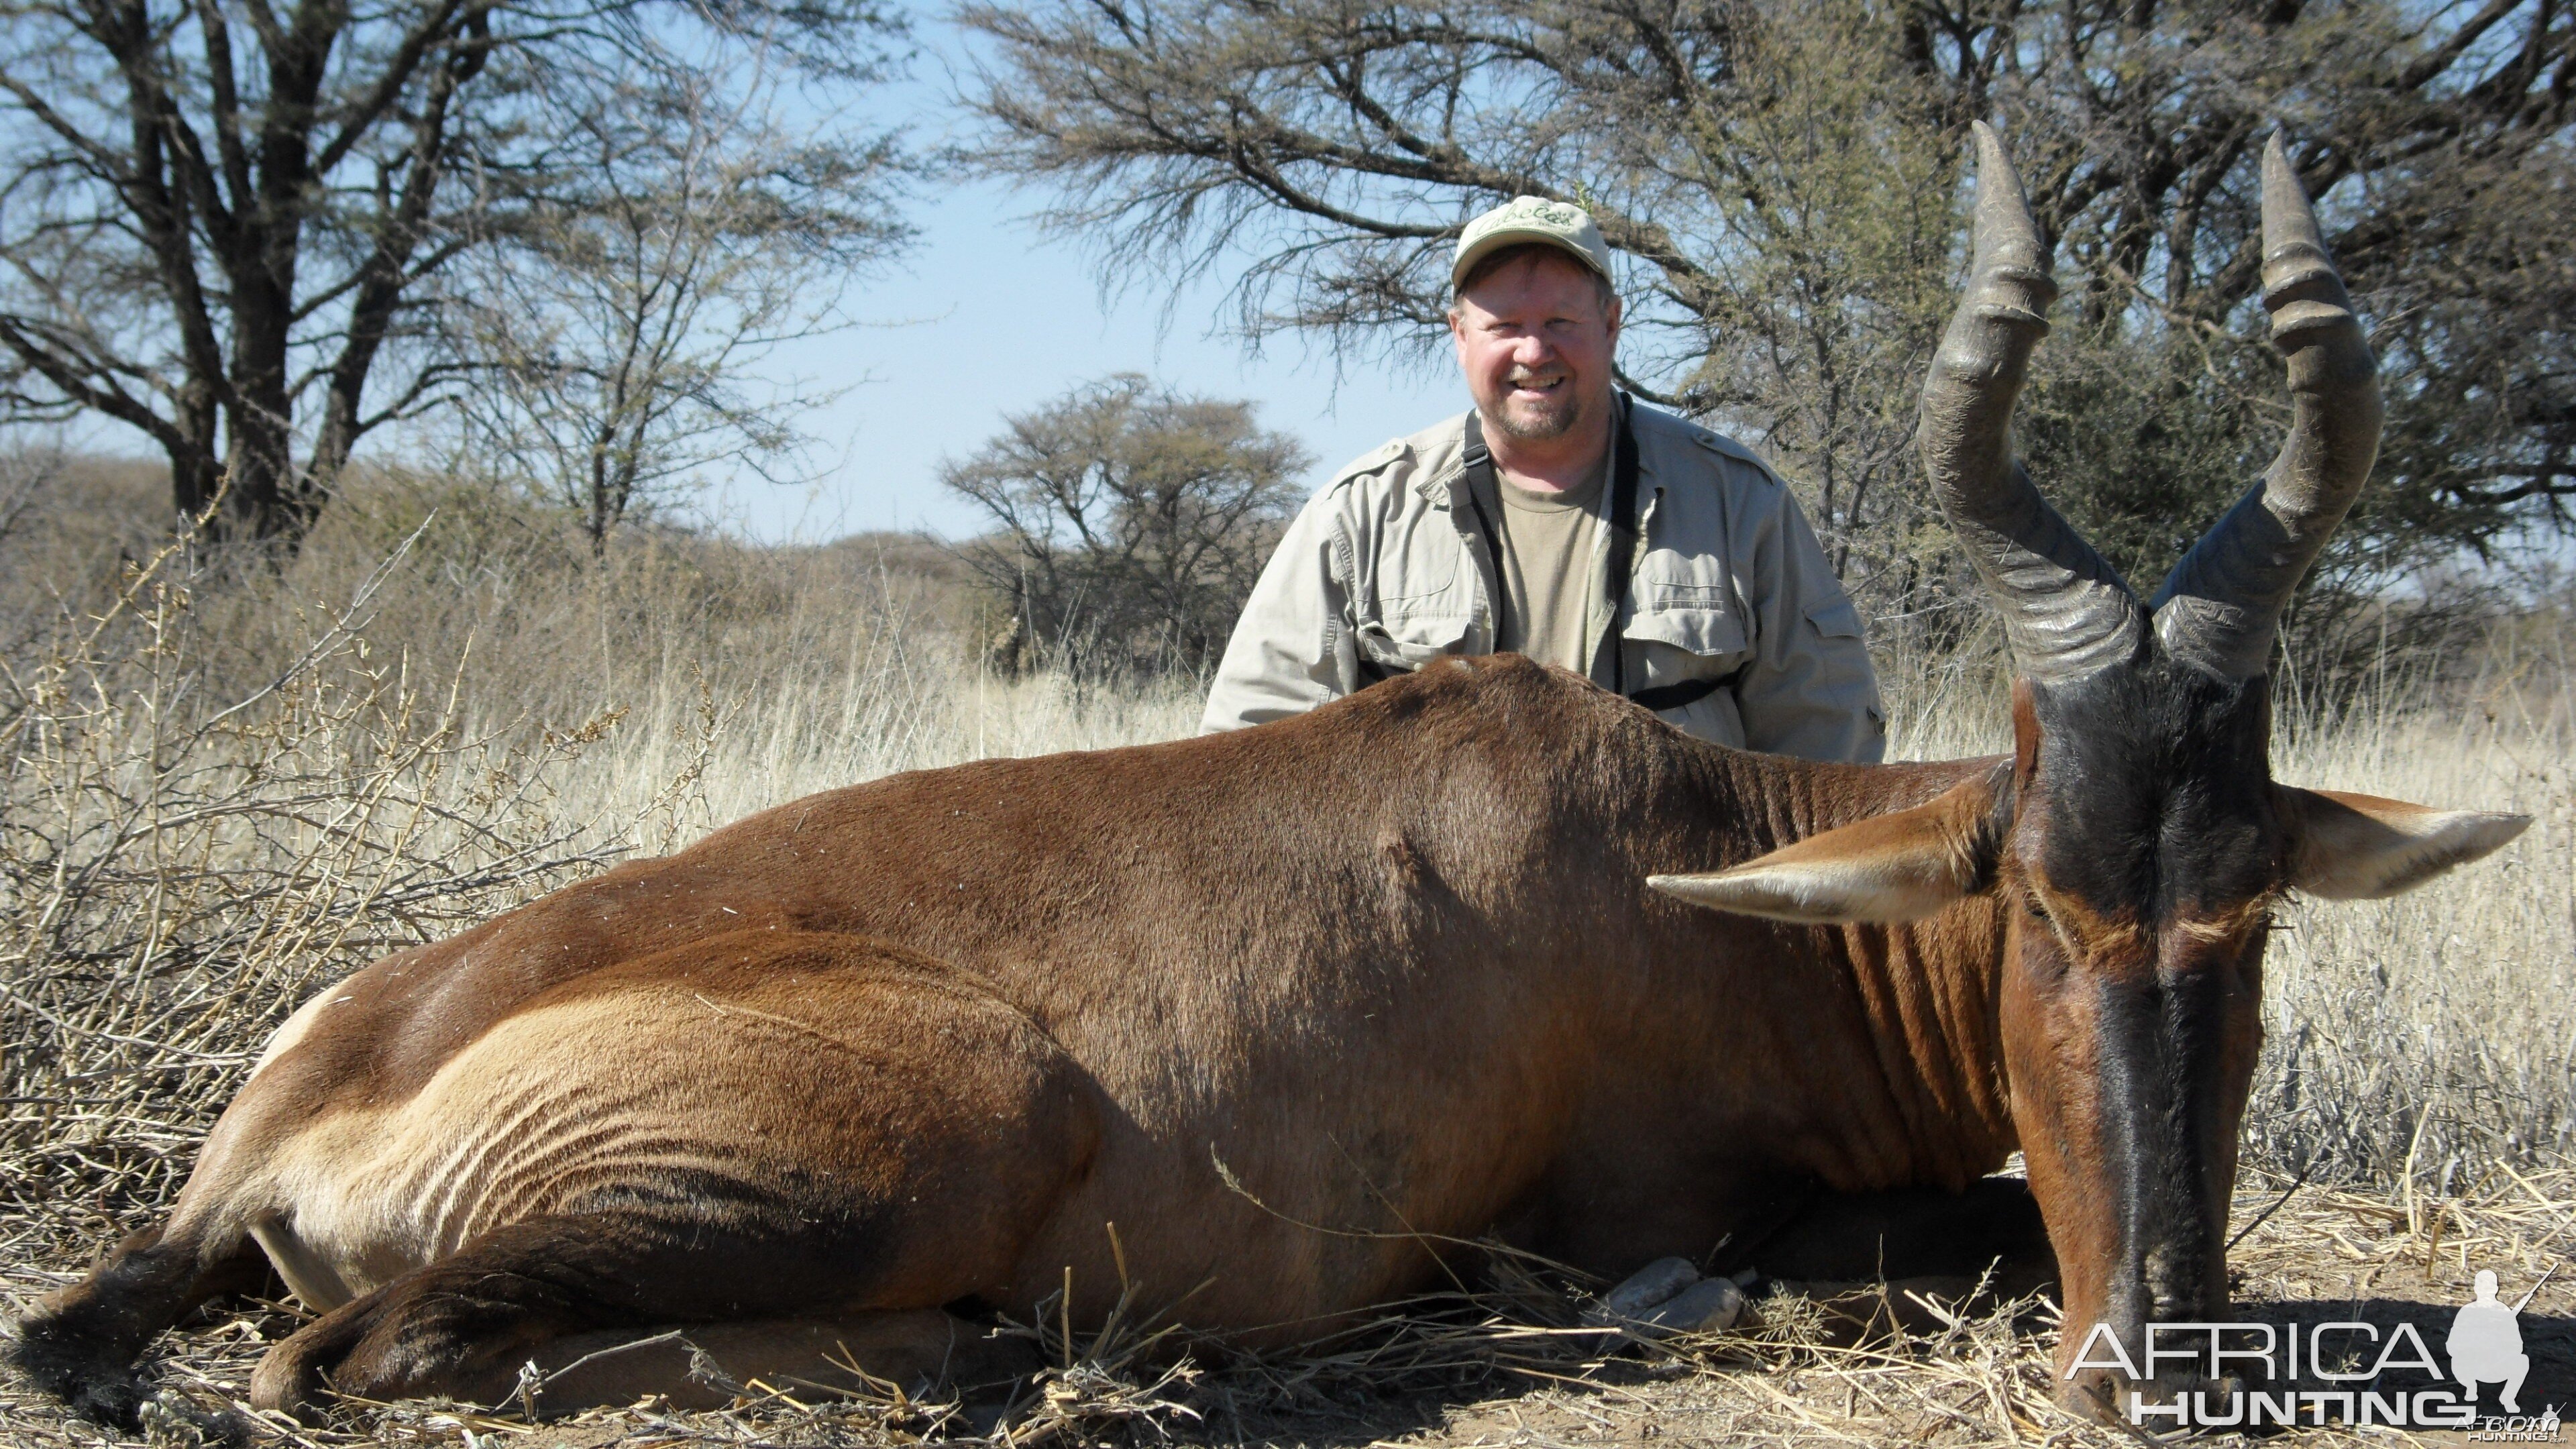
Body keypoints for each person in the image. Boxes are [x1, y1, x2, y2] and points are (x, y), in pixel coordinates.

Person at [1199, 195, 1885, 760]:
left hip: (1679, 917)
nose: (1534, 351)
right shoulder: (1357, 515)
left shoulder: (1740, 501)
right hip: (1430, 920)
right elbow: (1247, 756)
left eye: (1561, 321)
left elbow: (1830, 746)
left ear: (1612, 326)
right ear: (1459, 335)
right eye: (1504, 326)